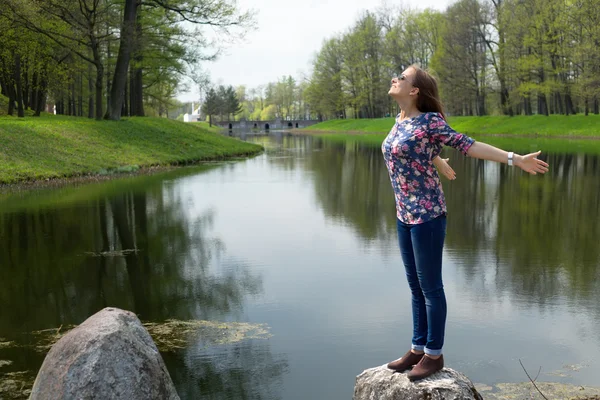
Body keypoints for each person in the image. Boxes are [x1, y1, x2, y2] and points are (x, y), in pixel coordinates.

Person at [382, 65, 549, 381]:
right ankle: (417, 348)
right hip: (404, 214)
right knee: (415, 286)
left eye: (402, 77)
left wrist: (516, 159)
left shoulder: (431, 121)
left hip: (428, 215)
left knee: (431, 287)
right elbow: (411, 147)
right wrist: (436, 159)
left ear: (415, 90)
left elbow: (468, 145)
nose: (395, 79)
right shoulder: (401, 120)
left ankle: (434, 354)